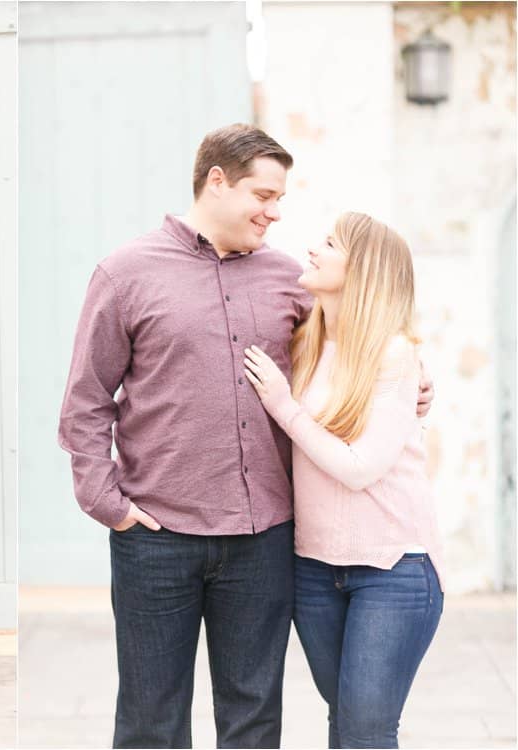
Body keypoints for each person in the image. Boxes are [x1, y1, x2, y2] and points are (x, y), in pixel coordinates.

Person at [57, 124, 433, 749]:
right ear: (216, 181)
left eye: (280, 198)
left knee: (254, 719)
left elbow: (363, 346)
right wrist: (110, 507)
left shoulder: (290, 280)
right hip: (156, 538)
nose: (275, 212)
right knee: (150, 720)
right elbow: (86, 402)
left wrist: (419, 379)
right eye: (264, 195)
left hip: (263, 542)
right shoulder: (124, 274)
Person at [243, 212, 443, 749]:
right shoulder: (306, 344)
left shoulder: (395, 355)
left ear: (363, 269)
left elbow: (360, 468)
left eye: (330, 244)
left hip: (393, 570)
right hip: (314, 569)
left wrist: (284, 407)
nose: (314, 249)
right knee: (346, 724)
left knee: (365, 732)